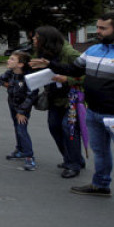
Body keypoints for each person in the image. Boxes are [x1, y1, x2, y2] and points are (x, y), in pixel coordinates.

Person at [31, 12, 114, 216]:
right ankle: (100, 185)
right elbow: (74, 70)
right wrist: (49, 64)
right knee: (100, 152)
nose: (97, 31)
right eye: (96, 27)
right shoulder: (94, 50)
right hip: (94, 112)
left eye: (102, 28)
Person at [32, 26, 85, 178]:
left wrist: (67, 79)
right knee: (54, 126)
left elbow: (88, 75)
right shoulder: (43, 52)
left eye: (37, 38)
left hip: (73, 97)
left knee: (69, 129)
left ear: (46, 40)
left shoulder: (70, 53)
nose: (34, 40)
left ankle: (73, 165)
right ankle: (72, 158)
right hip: (55, 96)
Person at [0, 51, 39, 170]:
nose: (8, 61)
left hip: (23, 107)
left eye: (12, 59)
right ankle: (20, 150)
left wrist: (22, 112)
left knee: (21, 129)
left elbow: (32, 95)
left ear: (20, 64)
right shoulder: (10, 73)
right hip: (12, 104)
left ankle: (29, 157)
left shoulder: (28, 76)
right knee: (17, 127)